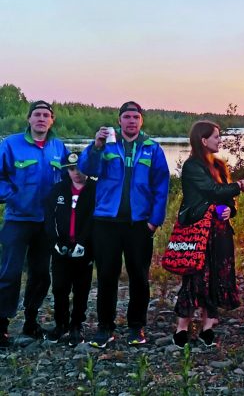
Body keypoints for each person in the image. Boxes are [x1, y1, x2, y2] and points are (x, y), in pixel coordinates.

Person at [79, 101, 170, 348]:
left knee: (139, 277)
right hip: (106, 222)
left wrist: (154, 221)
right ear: (119, 121)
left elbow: (161, 187)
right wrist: (96, 145)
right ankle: (104, 328)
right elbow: (87, 169)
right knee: (107, 276)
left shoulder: (153, 149)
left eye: (135, 117)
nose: (131, 121)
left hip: (139, 224)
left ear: (141, 121)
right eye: (126, 117)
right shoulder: (107, 144)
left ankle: (136, 327)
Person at [173, 121, 244, 348]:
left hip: (220, 230)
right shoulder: (192, 166)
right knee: (194, 276)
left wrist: (232, 210)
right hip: (199, 229)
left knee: (219, 276)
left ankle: (208, 326)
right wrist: (241, 184)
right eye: (216, 137)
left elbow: (226, 197)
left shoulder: (219, 165)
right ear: (203, 140)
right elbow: (212, 191)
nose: (220, 140)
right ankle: (182, 327)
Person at [0, 101, 69, 346]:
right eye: (37, 114)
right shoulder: (10, 144)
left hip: (45, 222)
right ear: (29, 119)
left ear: (52, 120)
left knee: (41, 274)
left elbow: (70, 177)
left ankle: (31, 321)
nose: (41, 118)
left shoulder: (58, 147)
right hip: (18, 220)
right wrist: (10, 194)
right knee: (9, 273)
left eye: (46, 115)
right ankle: (2, 325)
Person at [43, 152, 96, 346]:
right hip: (61, 248)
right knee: (59, 288)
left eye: (80, 168)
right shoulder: (58, 190)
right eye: (72, 169)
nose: (76, 173)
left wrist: (83, 242)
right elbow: (49, 218)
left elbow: (94, 220)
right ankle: (61, 324)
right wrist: (55, 242)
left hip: (84, 248)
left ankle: (76, 325)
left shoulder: (94, 190)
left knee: (81, 289)